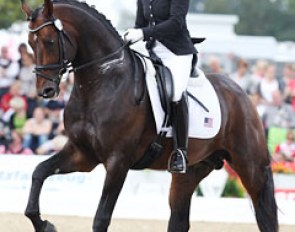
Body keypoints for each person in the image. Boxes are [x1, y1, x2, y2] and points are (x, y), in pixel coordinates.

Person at [124, 0, 197, 173]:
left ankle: (180, 152)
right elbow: (140, 25)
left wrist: (143, 32)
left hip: (176, 53)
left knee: (176, 94)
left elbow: (176, 23)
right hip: (151, 51)